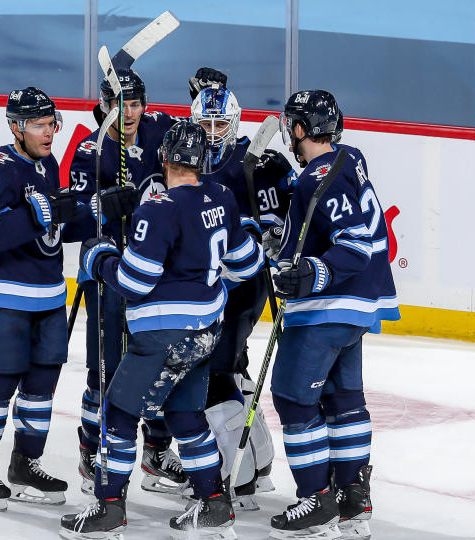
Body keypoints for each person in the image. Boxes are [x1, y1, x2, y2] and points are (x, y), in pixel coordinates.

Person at [60, 122, 263, 539]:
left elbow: (136, 281)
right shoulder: (222, 198)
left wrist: (99, 258)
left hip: (161, 335)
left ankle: (109, 508)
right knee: (185, 415)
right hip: (206, 331)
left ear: (164, 158)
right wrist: (254, 237)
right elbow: (247, 263)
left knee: (117, 412)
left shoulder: (159, 208)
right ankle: (214, 506)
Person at [68, 67, 227, 496]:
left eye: (136, 102)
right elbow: (76, 219)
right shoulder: (89, 149)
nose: (130, 112)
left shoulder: (160, 127)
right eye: (120, 103)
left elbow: (204, 140)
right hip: (116, 276)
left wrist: (203, 96)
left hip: (160, 281)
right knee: (105, 371)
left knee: (164, 371)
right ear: (103, 105)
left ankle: (155, 453)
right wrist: (101, 206)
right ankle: (90, 453)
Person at [267, 90, 400, 539]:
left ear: (301, 129)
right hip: (360, 308)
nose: (288, 132)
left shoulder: (315, 179)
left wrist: (310, 272)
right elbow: (322, 210)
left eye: (291, 124)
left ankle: (316, 501)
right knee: (344, 402)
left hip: (327, 308)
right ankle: (353, 498)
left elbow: (356, 243)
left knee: (292, 398)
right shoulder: (349, 157)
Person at [0, 87, 87, 510]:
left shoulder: (48, 164)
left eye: (52, 123)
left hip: (48, 293)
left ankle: (25, 463)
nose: (49, 132)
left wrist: (96, 212)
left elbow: (51, 229)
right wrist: (42, 211)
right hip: (1, 293)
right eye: (38, 125)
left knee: (41, 386)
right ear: (15, 127)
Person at [190, 83, 297, 508]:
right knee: (232, 370)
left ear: (235, 122)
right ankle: (260, 462)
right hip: (208, 287)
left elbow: (294, 214)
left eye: (221, 122)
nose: (214, 131)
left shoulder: (264, 163)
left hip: (246, 285)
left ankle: (242, 475)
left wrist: (273, 236)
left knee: (217, 373)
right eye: (207, 123)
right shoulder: (188, 160)